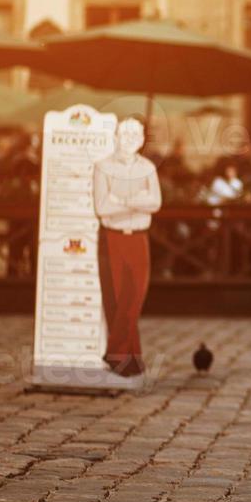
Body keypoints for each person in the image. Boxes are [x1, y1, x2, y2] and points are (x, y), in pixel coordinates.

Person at [92, 118, 162, 377]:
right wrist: (136, 202)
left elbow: (155, 202)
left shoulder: (147, 168)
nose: (131, 137)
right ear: (116, 136)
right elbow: (102, 207)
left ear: (143, 139)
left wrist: (121, 200)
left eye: (136, 133)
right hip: (113, 237)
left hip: (138, 237)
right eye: (126, 133)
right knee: (117, 297)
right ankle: (128, 359)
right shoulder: (103, 167)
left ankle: (116, 353)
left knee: (135, 296)